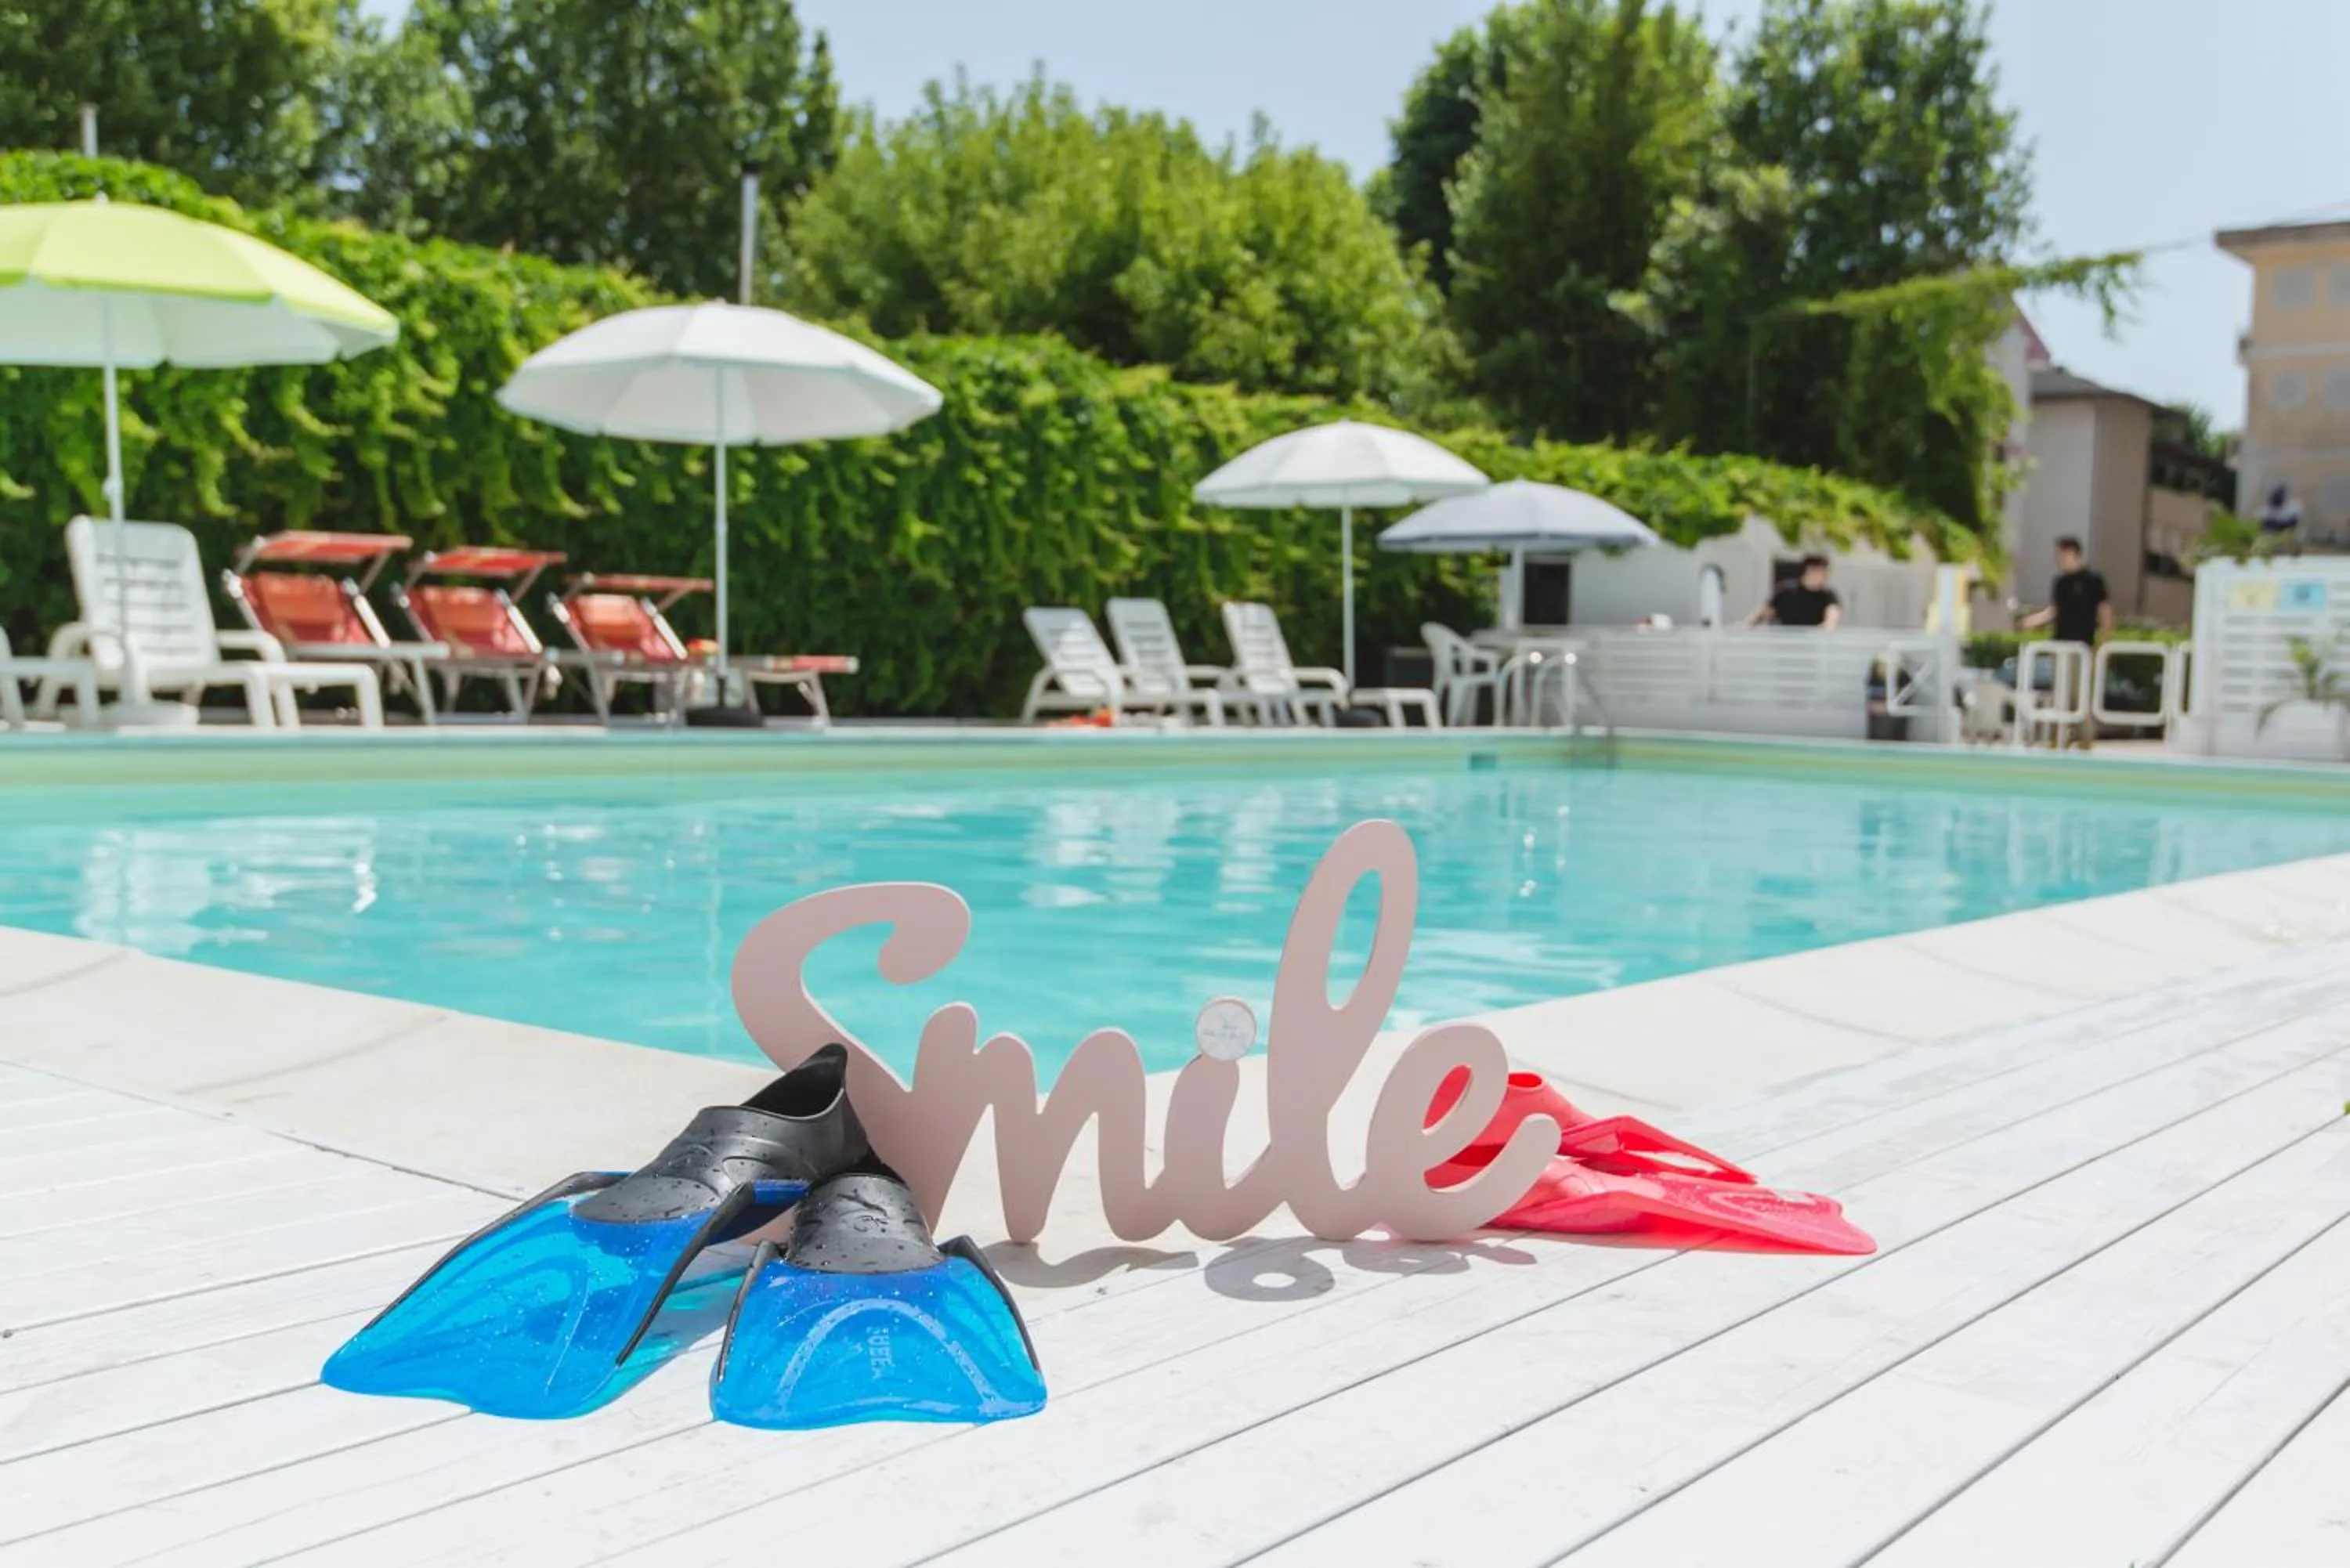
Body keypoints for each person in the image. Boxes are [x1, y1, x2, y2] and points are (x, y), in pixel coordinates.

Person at [2016, 536, 2113, 749]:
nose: (2058, 558)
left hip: (2082, 647)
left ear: (2073, 553)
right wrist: (2030, 622)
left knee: (2080, 693)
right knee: (2060, 692)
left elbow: (2105, 611)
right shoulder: (2060, 582)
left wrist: (2104, 643)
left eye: (2061, 554)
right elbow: (2054, 611)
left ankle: (2085, 738)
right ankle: (2059, 736)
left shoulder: (2093, 580)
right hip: (2060, 645)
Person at [1744, 555, 1842, 629]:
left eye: (1824, 573)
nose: (1822, 577)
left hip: (1813, 643)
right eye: (1818, 572)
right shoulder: (1786, 591)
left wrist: (1827, 627)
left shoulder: (1827, 595)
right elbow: (1765, 612)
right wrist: (1746, 625)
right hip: (1787, 640)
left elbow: (1832, 615)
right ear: (1807, 572)